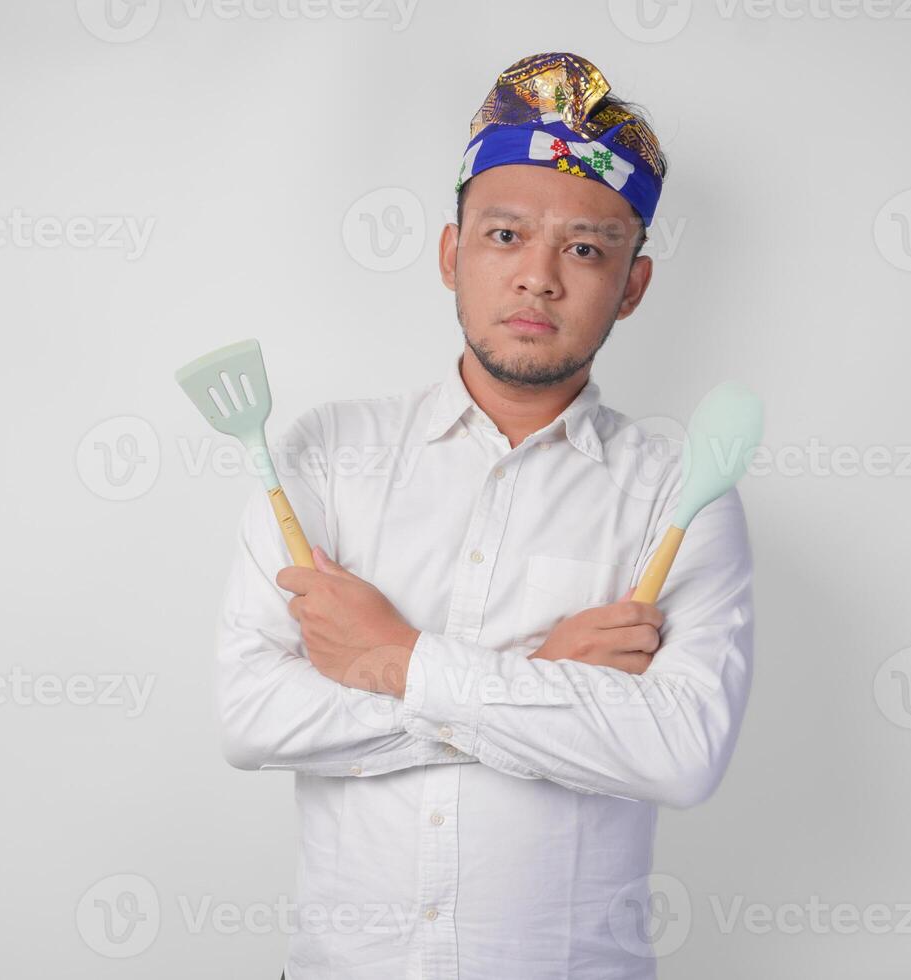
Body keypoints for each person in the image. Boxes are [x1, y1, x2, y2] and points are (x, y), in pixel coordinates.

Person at [216, 51, 755, 980]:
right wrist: (543, 678)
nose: (539, 277)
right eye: (505, 236)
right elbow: (252, 716)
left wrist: (400, 659)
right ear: (449, 253)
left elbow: (677, 753)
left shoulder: (681, 493)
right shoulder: (324, 456)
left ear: (632, 286)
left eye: (584, 249)